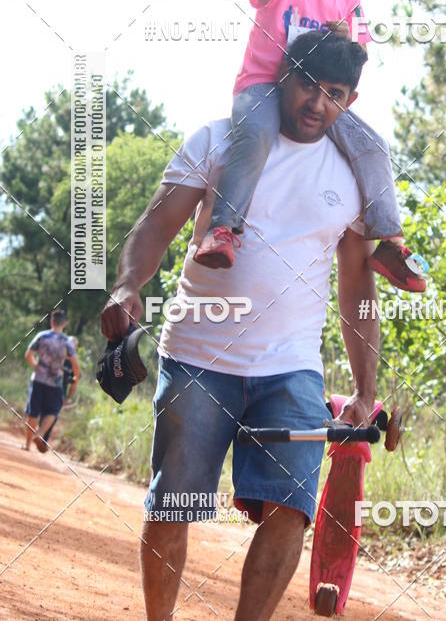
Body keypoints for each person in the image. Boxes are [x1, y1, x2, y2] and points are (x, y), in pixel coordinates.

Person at [101, 32, 382, 621]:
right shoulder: (221, 139)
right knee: (174, 506)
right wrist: (128, 285)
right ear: (283, 75)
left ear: (349, 102)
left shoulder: (353, 174)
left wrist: (365, 389)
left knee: (292, 506)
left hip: (293, 369)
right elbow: (156, 227)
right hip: (197, 358)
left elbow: (358, 286)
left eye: (334, 93)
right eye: (308, 83)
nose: (317, 102)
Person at [192, 0, 427, 293]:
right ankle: (223, 229)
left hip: (317, 98)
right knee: (256, 133)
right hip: (265, 85)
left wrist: (347, 39)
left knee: (373, 146)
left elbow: (362, 54)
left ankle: (390, 243)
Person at [23, 309, 80, 453]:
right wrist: (76, 377)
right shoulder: (67, 342)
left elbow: (28, 355)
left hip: (38, 379)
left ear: (51, 321)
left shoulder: (42, 336)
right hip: (55, 382)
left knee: (33, 412)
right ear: (65, 324)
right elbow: (75, 364)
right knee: (53, 410)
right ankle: (40, 434)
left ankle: (27, 445)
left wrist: (36, 366)